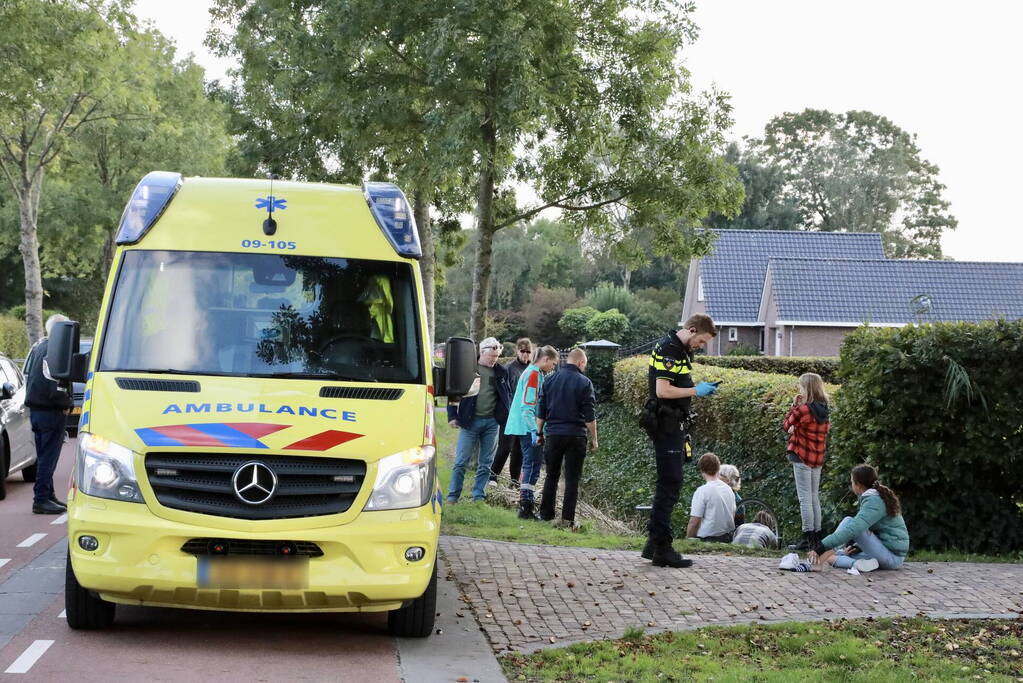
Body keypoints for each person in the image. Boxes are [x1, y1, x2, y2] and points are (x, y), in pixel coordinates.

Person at [640, 313, 719, 568]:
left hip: (672, 423)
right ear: (692, 329)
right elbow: (663, 390)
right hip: (666, 424)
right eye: (702, 340)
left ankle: (654, 543)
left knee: (668, 483)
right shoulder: (671, 350)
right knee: (669, 484)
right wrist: (697, 390)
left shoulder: (677, 349)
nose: (702, 346)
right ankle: (663, 548)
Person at [536, 348, 597, 528]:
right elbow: (590, 416)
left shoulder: (549, 380)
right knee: (572, 479)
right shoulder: (585, 383)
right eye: (584, 364)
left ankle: (546, 515)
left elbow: (541, 411)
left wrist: (539, 433)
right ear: (580, 363)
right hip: (576, 436)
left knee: (551, 475)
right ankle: (567, 519)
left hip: (553, 434)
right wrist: (594, 439)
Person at [809, 464, 909, 572]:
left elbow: (854, 529)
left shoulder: (874, 501)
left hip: (892, 557)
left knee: (849, 522)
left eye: (852, 481)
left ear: (858, 485)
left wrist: (822, 546)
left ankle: (818, 561)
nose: (851, 484)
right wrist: (857, 547)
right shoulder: (874, 497)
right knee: (832, 557)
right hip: (887, 554)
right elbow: (878, 531)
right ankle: (857, 564)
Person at [446, 337, 511, 503]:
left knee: (486, 463)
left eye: (497, 356)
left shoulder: (501, 372)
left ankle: (479, 496)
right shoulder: (469, 369)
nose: (494, 359)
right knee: (461, 462)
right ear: (482, 352)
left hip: (491, 423)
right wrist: (452, 415)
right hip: (470, 421)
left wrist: (503, 416)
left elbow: (506, 395)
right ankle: (453, 496)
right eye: (491, 356)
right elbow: (453, 394)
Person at [23, 314, 72, 514]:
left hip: (37, 410)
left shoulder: (38, 347)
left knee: (44, 455)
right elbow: (54, 384)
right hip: (50, 411)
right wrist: (66, 402)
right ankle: (41, 499)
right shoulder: (54, 350)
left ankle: (48, 495)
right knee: (48, 458)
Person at [505, 345, 559, 519]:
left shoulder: (531, 372)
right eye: (553, 363)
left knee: (531, 464)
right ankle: (526, 507)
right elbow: (527, 407)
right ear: (545, 359)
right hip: (528, 428)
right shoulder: (534, 375)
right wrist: (536, 431)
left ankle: (526, 505)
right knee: (532, 465)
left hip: (522, 426)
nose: (553, 367)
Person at [783, 372, 831, 551]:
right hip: (817, 457)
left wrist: (795, 405)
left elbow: (786, 425)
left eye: (801, 386)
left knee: (804, 499)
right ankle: (817, 537)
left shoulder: (803, 409)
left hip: (801, 455)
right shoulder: (824, 408)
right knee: (814, 497)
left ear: (807, 388)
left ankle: (807, 538)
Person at [489, 338, 533, 487]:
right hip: (510, 413)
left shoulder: (531, 370)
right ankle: (493, 476)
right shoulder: (509, 369)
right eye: (523, 351)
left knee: (519, 449)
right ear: (517, 351)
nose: (525, 354)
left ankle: (514, 481)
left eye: (528, 352)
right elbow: (504, 392)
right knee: (505, 446)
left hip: (525, 414)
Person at [685, 453, 736, 542]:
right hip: (729, 537)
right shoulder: (728, 489)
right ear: (718, 468)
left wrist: (688, 539)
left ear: (702, 470)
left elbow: (694, 522)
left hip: (708, 539)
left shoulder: (702, 491)